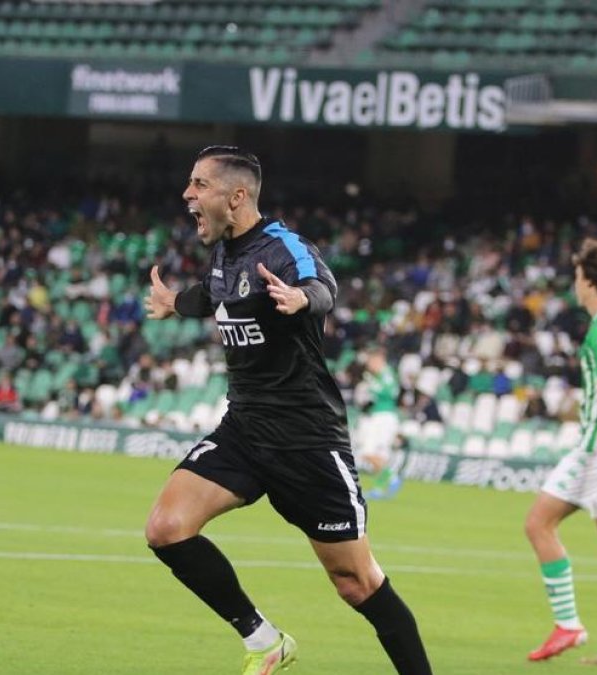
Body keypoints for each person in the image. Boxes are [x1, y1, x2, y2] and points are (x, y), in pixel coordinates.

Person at [143, 146, 432, 675]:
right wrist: (174, 304)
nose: (188, 194)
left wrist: (304, 300)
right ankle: (264, 640)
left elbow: (323, 285)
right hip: (245, 429)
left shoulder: (282, 247)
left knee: (356, 582)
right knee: (166, 527)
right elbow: (213, 295)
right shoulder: (224, 254)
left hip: (307, 441)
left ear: (236, 197)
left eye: (198, 184)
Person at [522, 239, 597, 668]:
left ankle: (568, 623)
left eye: (577, 277)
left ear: (591, 280)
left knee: (539, 524)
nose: (575, 285)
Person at [357, 348, 403, 500]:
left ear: (378, 360)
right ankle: (378, 489)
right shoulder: (379, 375)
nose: (369, 365)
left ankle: (393, 478)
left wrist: (373, 386)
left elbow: (391, 392)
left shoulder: (386, 374)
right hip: (381, 416)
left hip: (384, 416)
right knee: (379, 455)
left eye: (371, 362)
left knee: (367, 453)